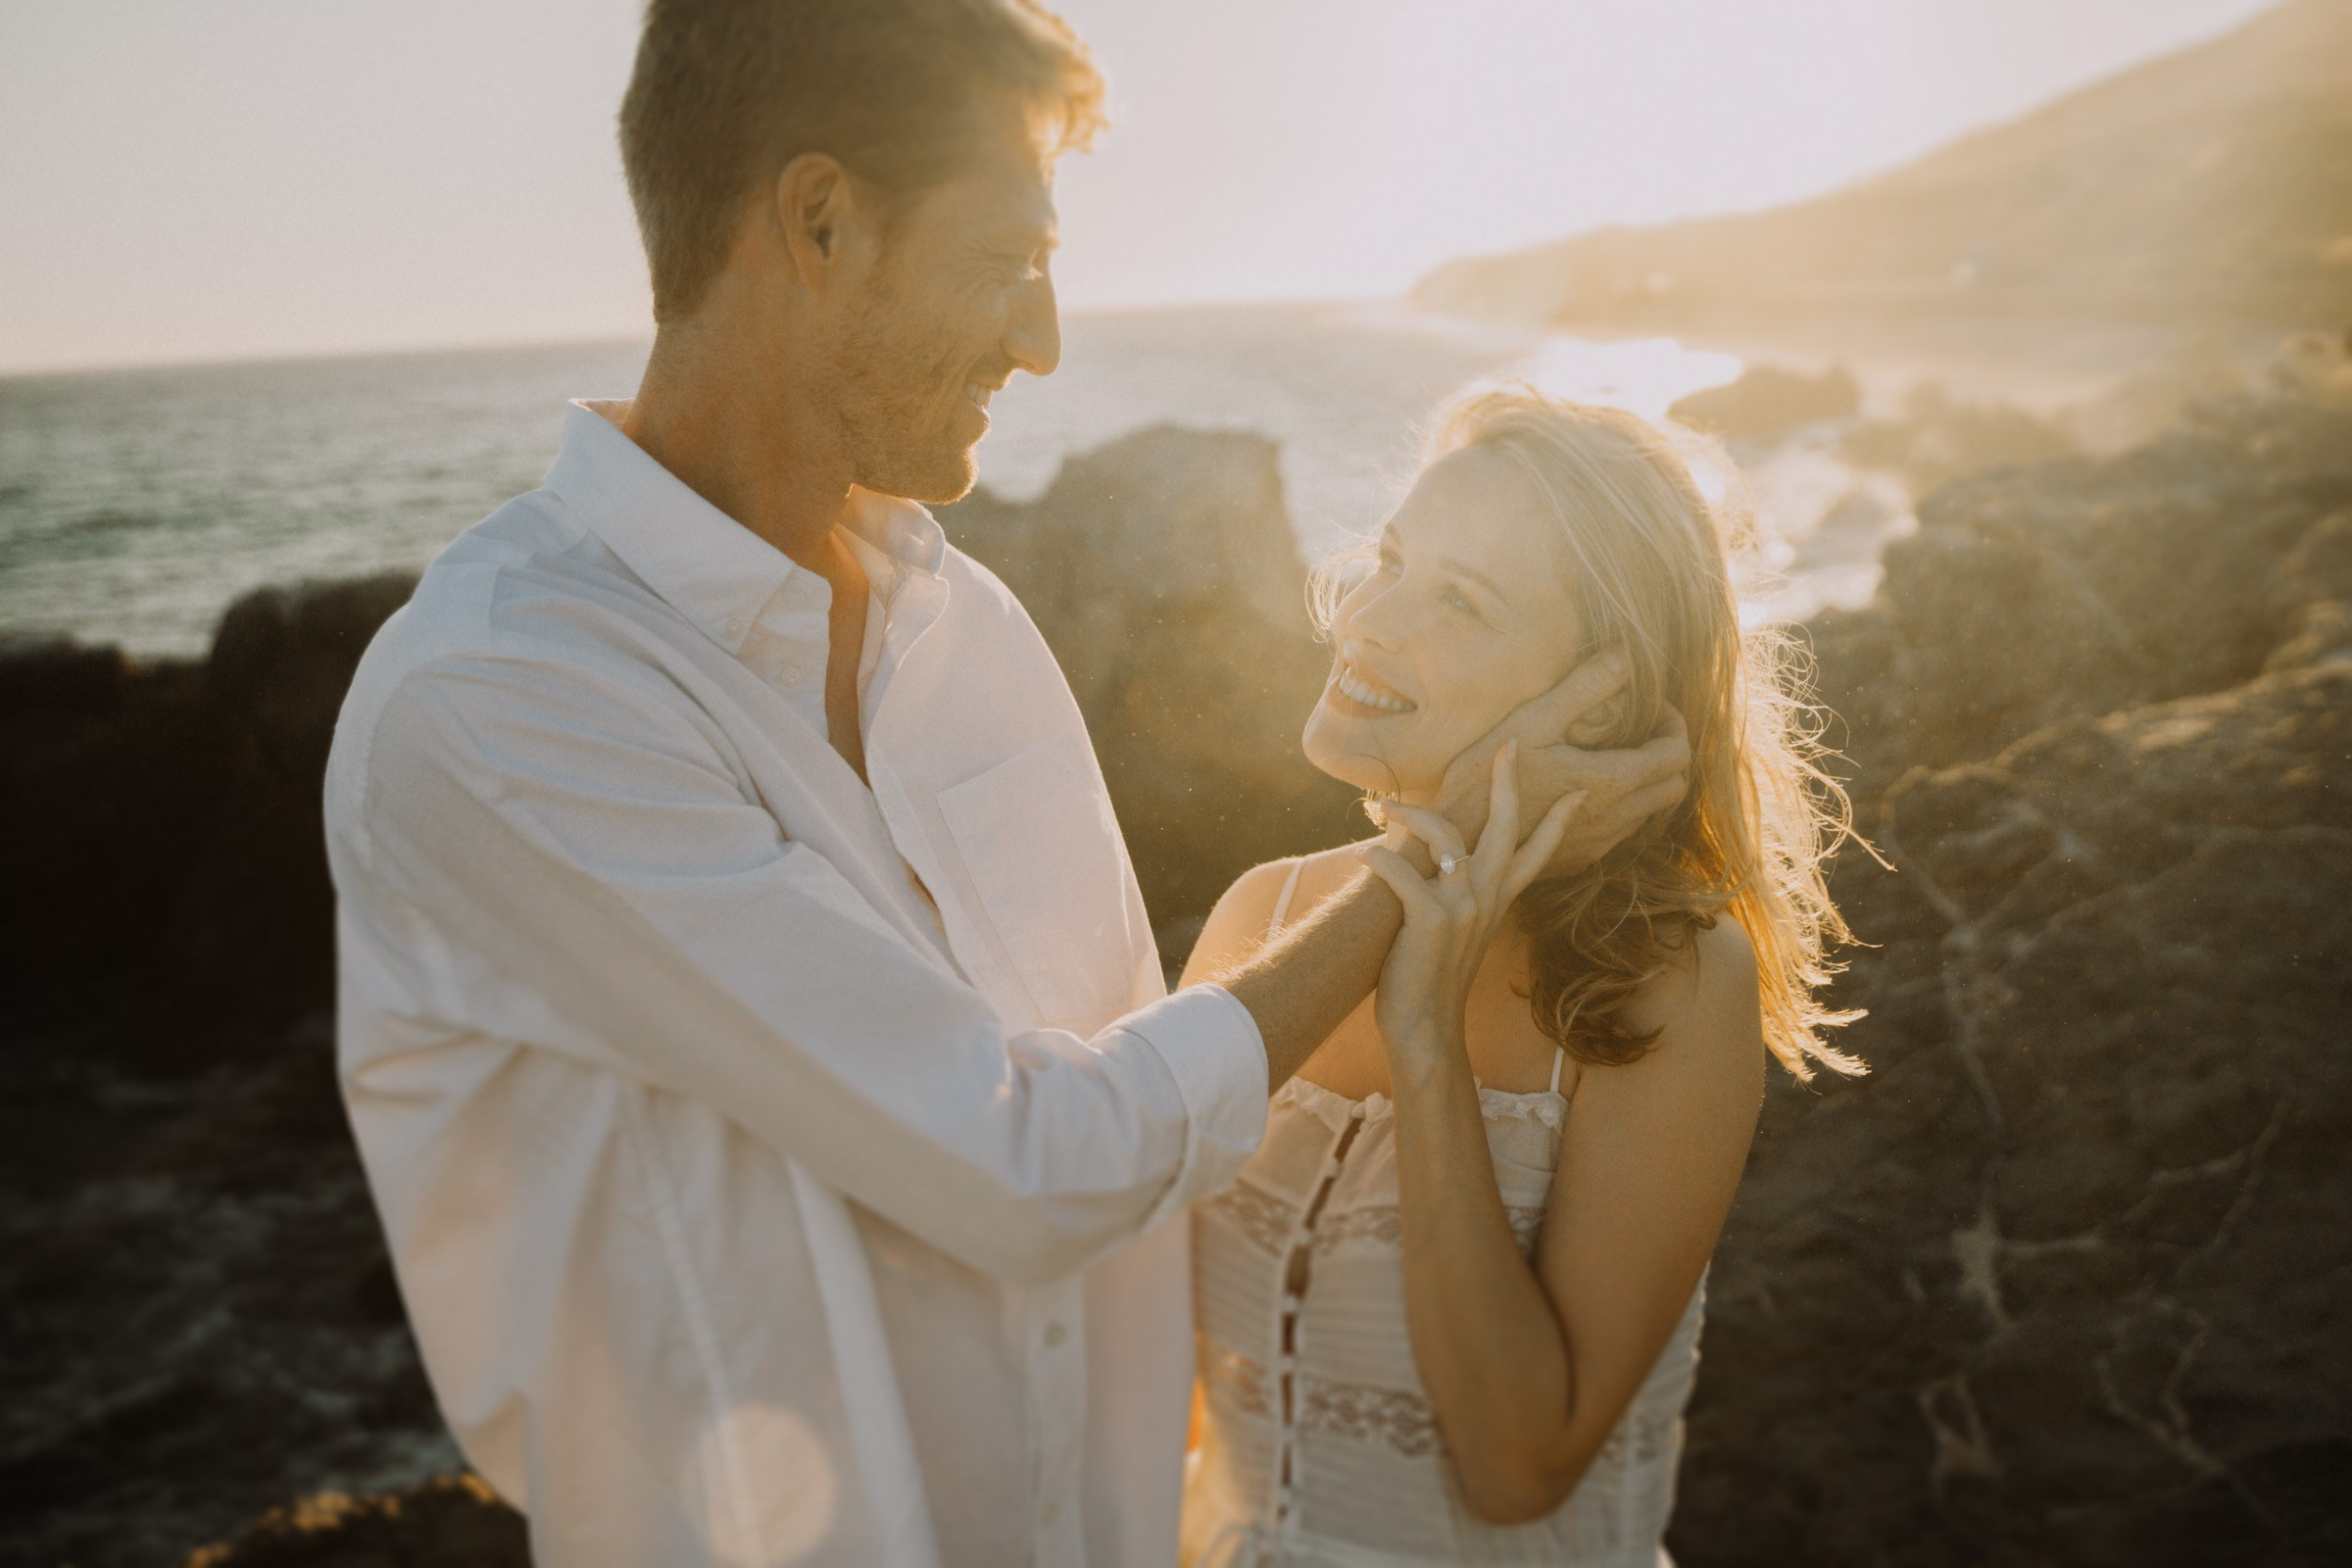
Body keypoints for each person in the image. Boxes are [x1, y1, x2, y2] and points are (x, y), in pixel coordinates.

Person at [321, 4, 1688, 1565]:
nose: (1041, 340)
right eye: (1003, 259)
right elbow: (1030, 1166)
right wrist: (1433, 862)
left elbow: (1132, 1153)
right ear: (819, 222)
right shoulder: (500, 697)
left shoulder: (968, 629)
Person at [1181, 387, 1865, 1566]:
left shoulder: (1668, 984)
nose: (1368, 620)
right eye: (1390, 560)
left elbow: (1518, 1464)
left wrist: (1428, 1047)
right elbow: (1156, 1380)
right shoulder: (1268, 914)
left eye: (1461, 601)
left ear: (1599, 700)